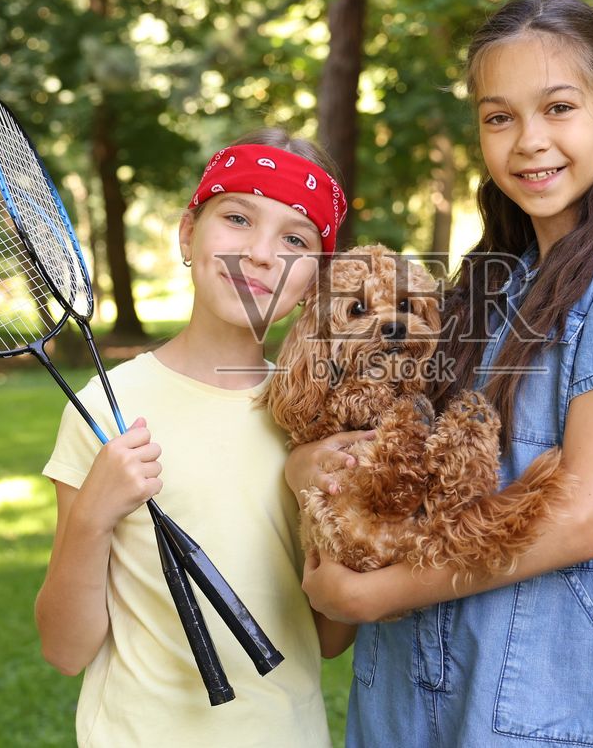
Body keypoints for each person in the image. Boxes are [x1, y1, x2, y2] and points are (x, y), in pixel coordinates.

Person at [292, 0, 593, 746]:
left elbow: (582, 520)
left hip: (520, 703)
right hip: (396, 696)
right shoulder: (489, 281)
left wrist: (377, 595)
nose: (529, 141)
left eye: (558, 107)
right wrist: (309, 465)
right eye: (500, 118)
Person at [34, 130, 361, 747]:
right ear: (188, 234)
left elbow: (331, 637)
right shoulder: (107, 410)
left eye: (295, 238)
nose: (261, 254)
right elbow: (64, 648)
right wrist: (93, 517)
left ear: (314, 279)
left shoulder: (316, 421)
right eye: (238, 218)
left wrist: (348, 517)